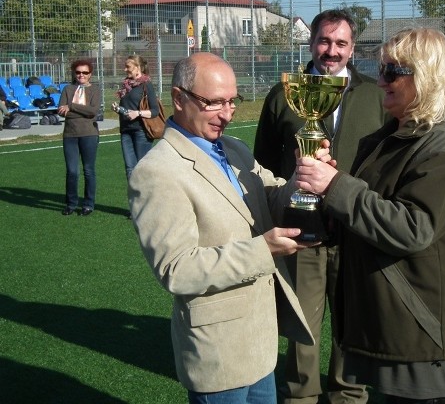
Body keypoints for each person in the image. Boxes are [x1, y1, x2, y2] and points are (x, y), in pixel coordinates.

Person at [295, 28, 445, 403]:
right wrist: (323, 190)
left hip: (424, 331)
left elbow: (414, 228)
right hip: (396, 325)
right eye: (380, 68)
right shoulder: (394, 136)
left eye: (392, 72)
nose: (380, 79)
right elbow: (372, 208)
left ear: (426, 75)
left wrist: (335, 185)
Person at [129, 52, 318, 404]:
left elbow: (272, 197)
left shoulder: (234, 149)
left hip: (260, 344)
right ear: (178, 98)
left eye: (233, 101)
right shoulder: (157, 171)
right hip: (217, 355)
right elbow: (177, 269)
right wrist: (264, 250)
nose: (228, 113)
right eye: (214, 102)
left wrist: (301, 179)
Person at [254, 9, 388, 403]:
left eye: (341, 43)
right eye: (324, 41)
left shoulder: (374, 94)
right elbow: (261, 162)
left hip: (356, 228)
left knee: (352, 322)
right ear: (311, 42)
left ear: (353, 47)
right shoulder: (284, 94)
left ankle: (348, 394)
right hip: (301, 233)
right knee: (301, 327)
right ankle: (300, 396)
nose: (331, 51)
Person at [58, 59, 101, 216]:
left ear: (90, 74)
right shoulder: (68, 89)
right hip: (70, 134)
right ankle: (71, 203)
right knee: (72, 171)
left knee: (88, 170)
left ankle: (88, 204)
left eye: (84, 72)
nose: (81, 75)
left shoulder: (95, 90)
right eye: (78, 72)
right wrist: (79, 110)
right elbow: (61, 110)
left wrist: (72, 107)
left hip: (89, 134)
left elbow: (92, 111)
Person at [111, 55, 160, 180]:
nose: (125, 69)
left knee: (142, 168)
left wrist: (138, 113)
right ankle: (133, 199)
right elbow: (128, 108)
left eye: (128, 67)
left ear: (138, 68)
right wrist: (119, 109)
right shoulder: (126, 86)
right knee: (129, 169)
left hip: (141, 132)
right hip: (126, 130)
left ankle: (146, 197)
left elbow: (155, 111)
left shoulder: (145, 85)